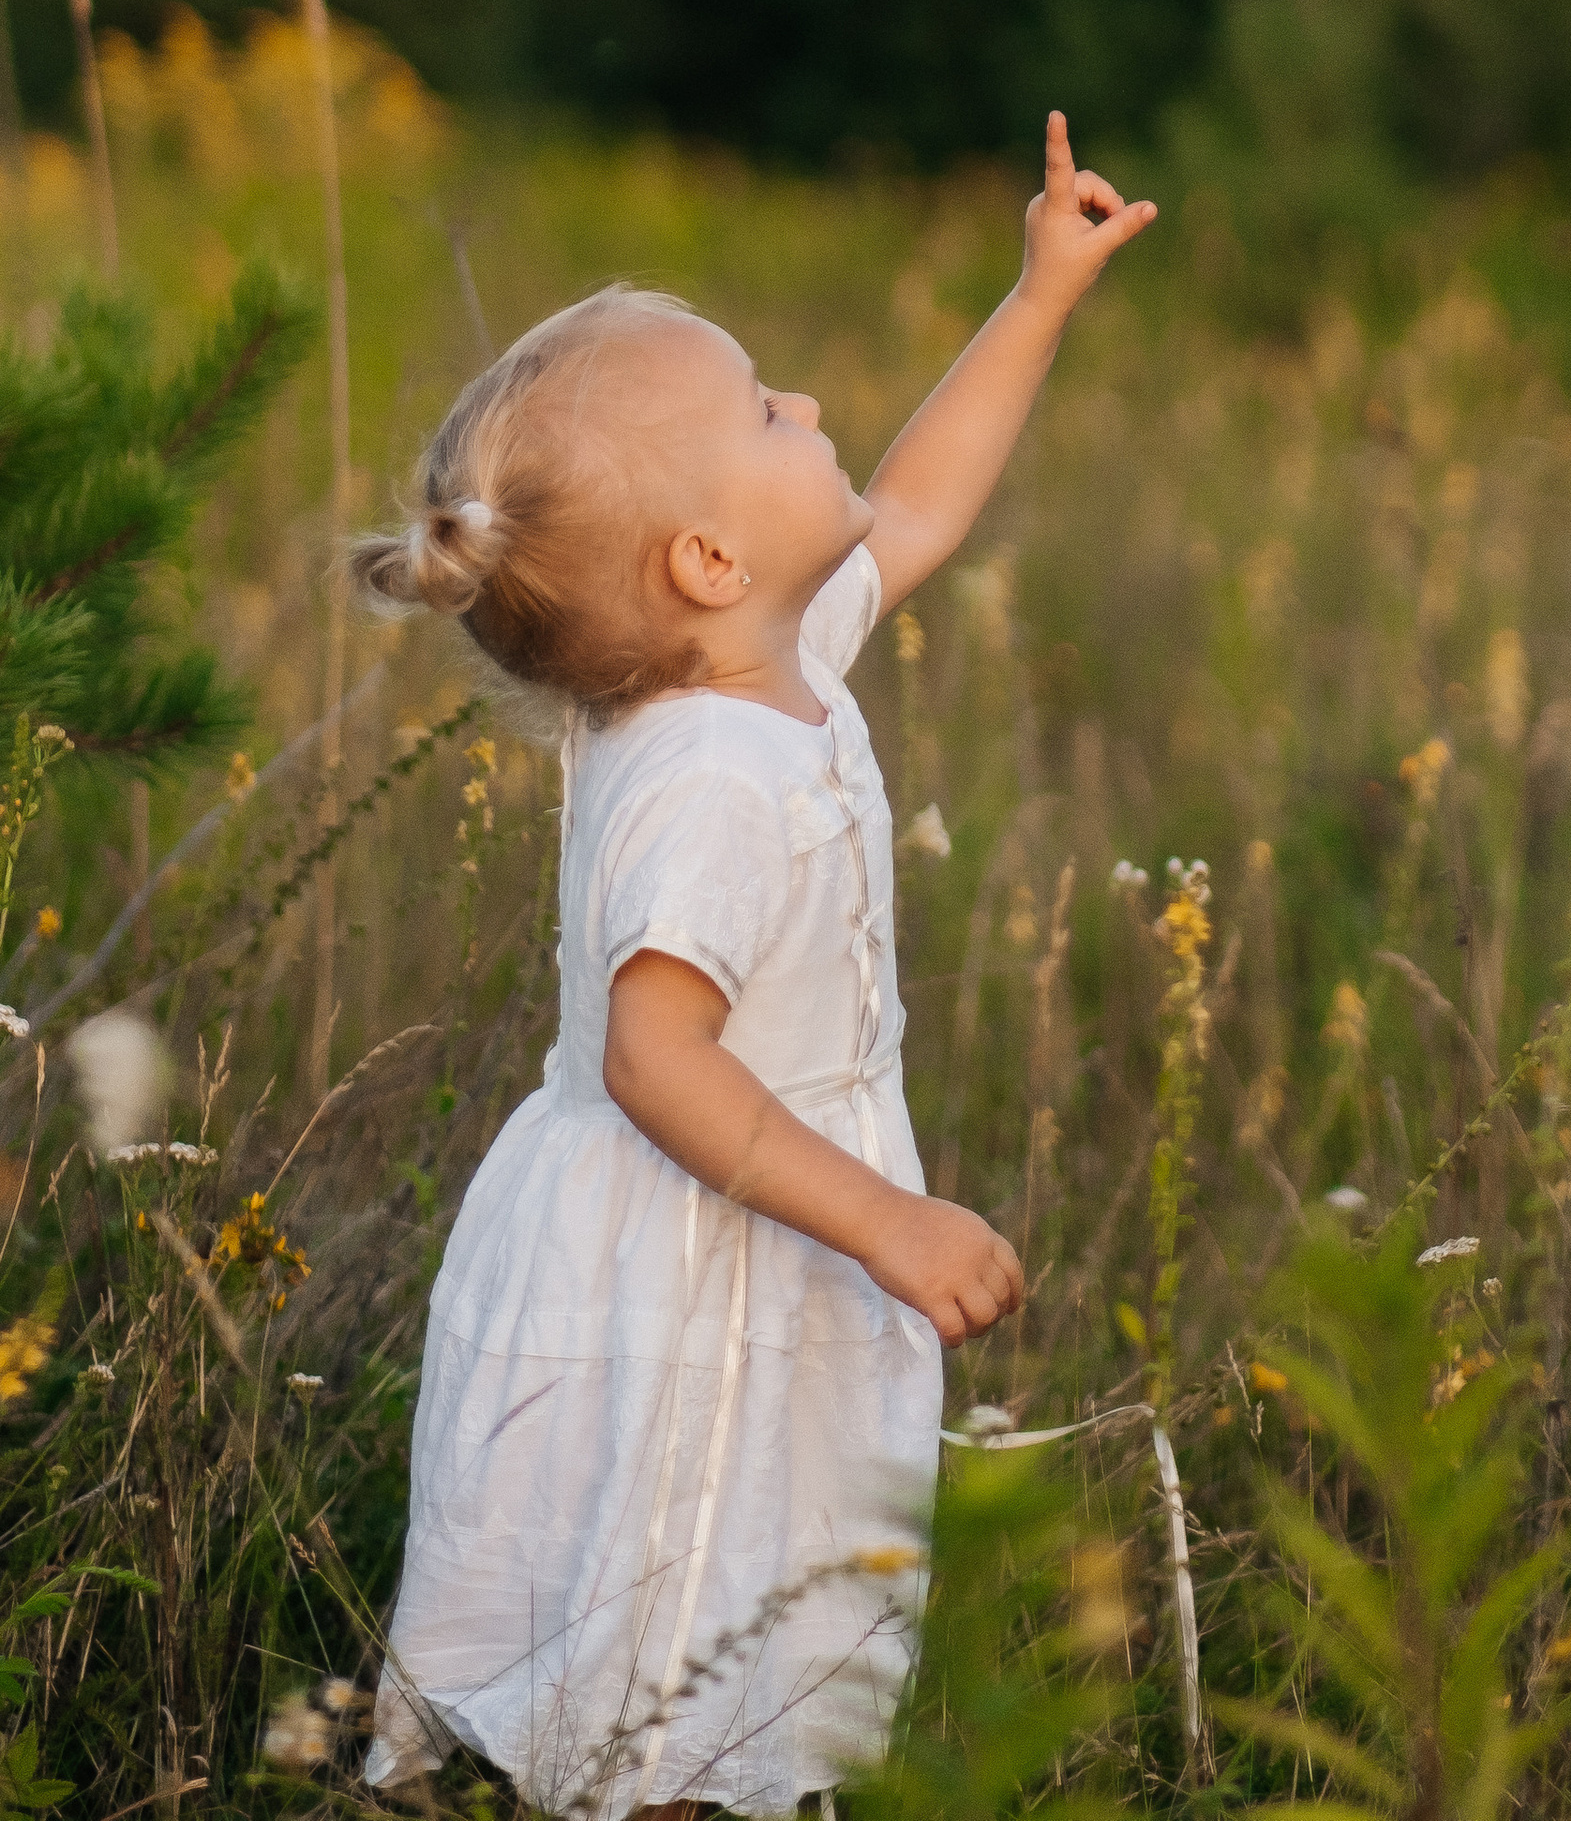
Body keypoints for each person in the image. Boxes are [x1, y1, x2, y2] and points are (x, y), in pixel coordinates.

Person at [358, 114, 1156, 1818]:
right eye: (765, 411)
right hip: (704, 1263)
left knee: (743, 1610)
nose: (807, 407)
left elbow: (920, 506)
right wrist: (888, 1222)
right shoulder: (707, 774)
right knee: (684, 1623)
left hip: (756, 1226)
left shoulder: (764, 654)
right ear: (706, 562)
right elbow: (658, 1057)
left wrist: (1038, 298)